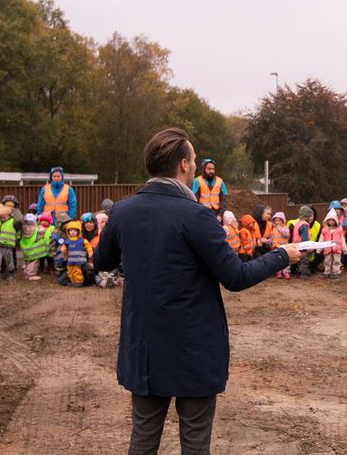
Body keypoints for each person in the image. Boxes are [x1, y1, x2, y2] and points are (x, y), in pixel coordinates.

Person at [92, 128, 298, 454]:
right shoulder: (196, 216)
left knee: (142, 440)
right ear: (185, 165)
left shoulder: (123, 211)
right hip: (193, 351)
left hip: (143, 348)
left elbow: (101, 261)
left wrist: (111, 228)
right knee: (195, 444)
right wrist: (282, 255)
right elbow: (236, 276)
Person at [0, 204, 20, 281]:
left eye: (4, 217)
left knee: (9, 261)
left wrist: (14, 210)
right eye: (0, 216)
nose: (2, 218)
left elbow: (19, 220)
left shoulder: (13, 221)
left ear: (9, 215)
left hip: (8, 245)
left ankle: (10, 274)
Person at [288, 205, 321, 278]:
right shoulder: (304, 225)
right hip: (302, 246)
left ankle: (299, 272)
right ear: (307, 216)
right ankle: (303, 274)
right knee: (304, 260)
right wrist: (307, 247)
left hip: (296, 245)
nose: (312, 217)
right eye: (311, 215)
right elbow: (304, 238)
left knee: (299, 260)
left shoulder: (298, 223)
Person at [60, 220, 91, 287]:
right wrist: (63, 252)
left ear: (78, 231)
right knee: (70, 272)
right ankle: (73, 281)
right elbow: (64, 248)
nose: (72, 232)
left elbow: (88, 246)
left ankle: (79, 282)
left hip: (79, 261)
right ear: (68, 232)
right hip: (70, 261)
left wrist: (90, 252)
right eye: (71, 230)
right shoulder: (67, 241)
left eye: (74, 230)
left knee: (77, 272)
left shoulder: (82, 240)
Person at [319, 209, 347, 279]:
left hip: (337, 249)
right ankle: (327, 271)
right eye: (330, 220)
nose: (331, 222)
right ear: (327, 220)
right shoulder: (324, 230)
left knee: (337, 261)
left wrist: (345, 249)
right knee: (327, 260)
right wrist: (319, 248)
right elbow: (321, 239)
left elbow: (342, 240)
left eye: (333, 220)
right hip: (327, 248)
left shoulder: (339, 229)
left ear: (336, 221)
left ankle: (336, 272)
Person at [20, 214, 49, 281]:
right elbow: (43, 230)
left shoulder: (24, 227)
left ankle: (26, 273)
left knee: (28, 261)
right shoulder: (36, 229)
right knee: (34, 262)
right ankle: (31, 275)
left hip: (26, 249)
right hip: (33, 250)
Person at [270, 212, 292, 279]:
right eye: (276, 220)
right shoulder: (273, 229)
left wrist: (279, 228)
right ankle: (278, 272)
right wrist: (268, 241)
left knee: (285, 260)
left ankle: (286, 272)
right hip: (276, 247)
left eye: (279, 220)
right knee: (277, 260)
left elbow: (287, 236)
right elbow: (272, 237)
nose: (278, 222)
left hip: (284, 247)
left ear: (283, 220)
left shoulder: (286, 228)